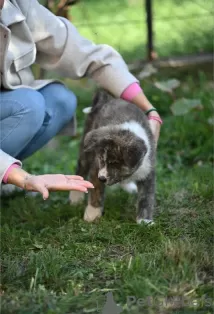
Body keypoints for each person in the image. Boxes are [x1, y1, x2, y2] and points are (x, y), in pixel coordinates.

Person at [0, 0, 162, 199]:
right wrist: (21, 177)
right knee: (29, 105)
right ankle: (7, 174)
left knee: (60, 100)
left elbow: (84, 54)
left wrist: (148, 110)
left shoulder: (16, 5)